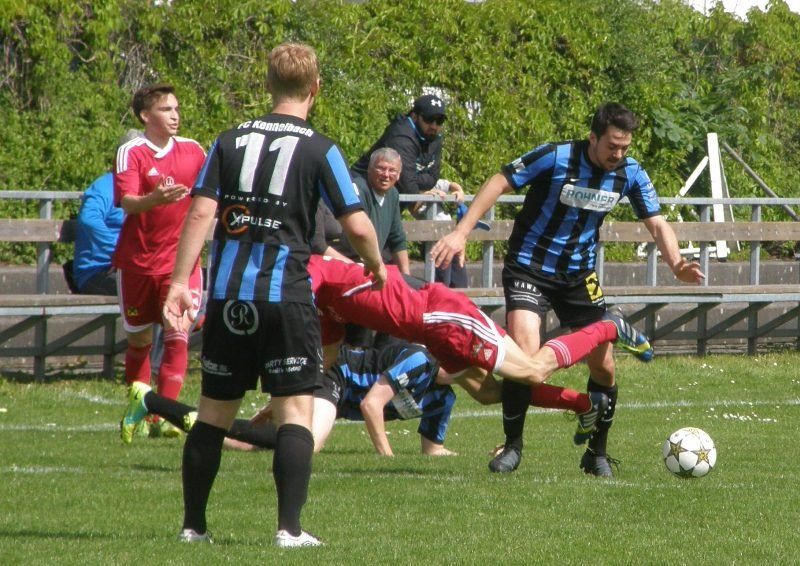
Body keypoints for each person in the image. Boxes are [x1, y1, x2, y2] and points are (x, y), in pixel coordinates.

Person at [161, 42, 387, 548]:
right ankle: (289, 529)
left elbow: (200, 213)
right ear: (316, 88)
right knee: (295, 414)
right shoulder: (321, 149)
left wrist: (179, 282)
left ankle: (193, 527)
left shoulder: (229, 140)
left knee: (213, 413)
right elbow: (357, 224)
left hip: (228, 298)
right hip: (286, 298)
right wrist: (376, 266)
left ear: (267, 85)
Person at [431, 102, 705, 477]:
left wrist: (676, 264)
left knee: (604, 366)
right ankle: (512, 447)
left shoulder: (630, 173)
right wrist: (461, 232)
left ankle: (596, 454)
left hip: (579, 276)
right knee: (524, 357)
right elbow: (499, 181)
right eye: (612, 146)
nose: (618, 154)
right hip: (529, 268)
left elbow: (657, 223)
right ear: (593, 137)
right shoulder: (556, 156)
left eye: (625, 147)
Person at [307, 255, 653, 430]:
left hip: (443, 315)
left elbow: (307, 280)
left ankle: (608, 326)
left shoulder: (312, 269)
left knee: (533, 371)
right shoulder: (325, 305)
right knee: (487, 393)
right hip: (429, 333)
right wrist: (297, 389)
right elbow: (328, 356)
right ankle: (585, 404)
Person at [121, 341, 458, 456]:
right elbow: (372, 405)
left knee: (254, 444)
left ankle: (152, 402)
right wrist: (387, 457)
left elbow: (432, 451)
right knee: (305, 445)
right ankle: (178, 413)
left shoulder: (444, 398)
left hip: (336, 399)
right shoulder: (420, 360)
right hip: (335, 376)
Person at [113, 85, 206, 438]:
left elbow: (212, 195)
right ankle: (139, 409)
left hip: (180, 264)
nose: (175, 115)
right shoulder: (132, 152)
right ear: (145, 116)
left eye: (176, 109)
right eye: (166, 109)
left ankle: (165, 417)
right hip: (138, 263)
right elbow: (127, 202)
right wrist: (154, 199)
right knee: (139, 342)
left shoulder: (194, 151)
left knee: (178, 333)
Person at [351, 93, 467, 286]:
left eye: (439, 121)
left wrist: (419, 185)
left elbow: (431, 178)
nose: (434, 126)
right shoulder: (402, 135)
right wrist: (416, 187)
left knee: (445, 233)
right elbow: (409, 187)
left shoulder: (434, 138)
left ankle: (447, 292)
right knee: (374, 266)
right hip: (365, 197)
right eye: (429, 119)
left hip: (390, 200)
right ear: (415, 116)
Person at [72, 129, 140, 295]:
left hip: (133, 268)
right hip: (98, 271)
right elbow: (89, 219)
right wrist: (119, 252)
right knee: (146, 290)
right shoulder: (105, 186)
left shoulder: (143, 188)